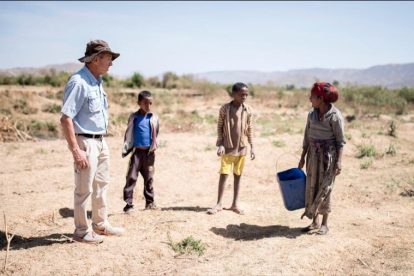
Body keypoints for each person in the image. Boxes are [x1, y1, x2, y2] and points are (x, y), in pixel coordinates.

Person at [60, 40, 125, 244]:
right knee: (84, 189)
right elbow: (66, 118)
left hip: (100, 141)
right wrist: (76, 151)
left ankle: (100, 225)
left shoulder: (96, 81)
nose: (111, 64)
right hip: (85, 142)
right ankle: (81, 231)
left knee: (101, 186)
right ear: (96, 59)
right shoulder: (79, 82)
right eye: (108, 59)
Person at [298, 82, 345, 235]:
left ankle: (324, 224)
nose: (309, 98)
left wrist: (338, 161)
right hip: (313, 155)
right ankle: (314, 222)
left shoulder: (335, 116)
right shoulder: (311, 114)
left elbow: (340, 141)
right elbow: (307, 136)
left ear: (320, 98)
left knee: (326, 188)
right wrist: (303, 157)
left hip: (328, 157)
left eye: (312, 96)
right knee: (312, 187)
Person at [207, 82, 255, 215]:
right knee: (224, 175)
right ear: (233, 94)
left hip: (242, 148)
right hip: (227, 148)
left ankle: (235, 204)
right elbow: (219, 127)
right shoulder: (225, 109)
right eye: (241, 95)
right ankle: (218, 204)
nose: (244, 97)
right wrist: (221, 144)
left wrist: (252, 146)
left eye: (246, 95)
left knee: (238, 176)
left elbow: (249, 129)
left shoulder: (248, 110)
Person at [122, 90, 160, 213]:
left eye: (150, 103)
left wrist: (153, 147)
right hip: (137, 153)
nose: (148, 106)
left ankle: (149, 202)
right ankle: (128, 205)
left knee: (149, 178)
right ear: (139, 103)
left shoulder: (153, 118)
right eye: (145, 103)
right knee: (131, 177)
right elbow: (128, 132)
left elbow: (156, 132)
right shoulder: (134, 117)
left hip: (149, 154)